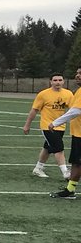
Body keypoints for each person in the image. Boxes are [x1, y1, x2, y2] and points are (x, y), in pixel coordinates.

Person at [23, 73, 72, 179]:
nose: (58, 82)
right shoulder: (43, 94)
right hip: (47, 126)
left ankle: (38, 168)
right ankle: (65, 172)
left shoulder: (68, 94)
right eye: (55, 80)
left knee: (48, 147)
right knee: (58, 148)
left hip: (61, 126)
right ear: (51, 82)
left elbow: (73, 109)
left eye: (60, 80)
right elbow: (34, 110)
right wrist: (27, 125)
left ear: (63, 81)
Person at [48, 67, 81, 198]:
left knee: (78, 163)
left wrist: (56, 122)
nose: (77, 75)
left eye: (80, 74)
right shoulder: (78, 91)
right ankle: (70, 189)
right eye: (77, 73)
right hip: (78, 133)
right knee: (76, 162)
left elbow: (76, 111)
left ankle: (70, 190)